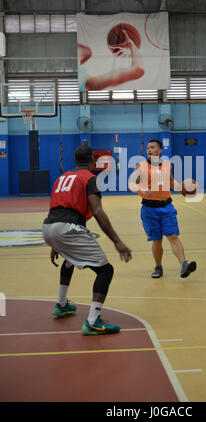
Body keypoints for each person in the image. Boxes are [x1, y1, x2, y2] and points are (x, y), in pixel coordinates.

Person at [43, 144, 132, 335]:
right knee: (105, 271)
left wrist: (55, 242)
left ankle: (61, 304)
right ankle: (93, 321)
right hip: (66, 227)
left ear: (75, 160)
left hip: (49, 225)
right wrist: (117, 241)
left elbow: (56, 206)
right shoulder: (90, 178)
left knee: (69, 260)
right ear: (92, 160)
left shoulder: (62, 178)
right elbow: (98, 211)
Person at [130, 139, 197, 279]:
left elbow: (171, 182)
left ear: (160, 150)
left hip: (167, 207)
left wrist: (182, 189)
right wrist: (142, 188)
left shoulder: (166, 165)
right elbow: (132, 184)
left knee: (172, 236)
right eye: (148, 148)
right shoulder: (140, 166)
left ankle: (183, 264)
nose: (149, 150)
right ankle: (158, 266)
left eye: (152, 147)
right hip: (149, 209)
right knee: (157, 241)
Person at [77, 29, 144, 92]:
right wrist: (132, 46)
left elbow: (137, 71)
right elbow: (137, 71)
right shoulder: (87, 84)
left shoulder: (85, 83)